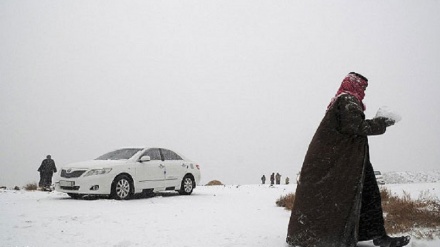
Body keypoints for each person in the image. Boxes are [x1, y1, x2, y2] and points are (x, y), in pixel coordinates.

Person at [286, 73, 410, 247]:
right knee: (365, 196)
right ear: (354, 85)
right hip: (343, 164)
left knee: (364, 195)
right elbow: (355, 126)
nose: (364, 92)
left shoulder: (343, 101)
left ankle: (376, 235)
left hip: (347, 162)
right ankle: (372, 236)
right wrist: (382, 122)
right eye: (362, 87)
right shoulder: (347, 100)